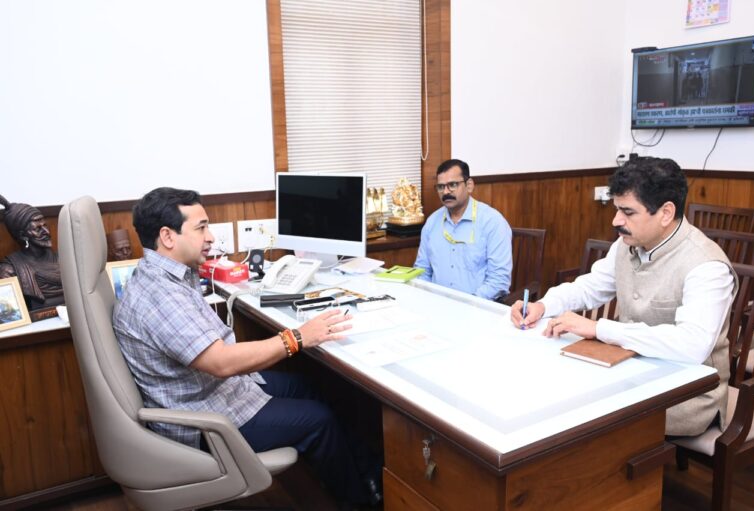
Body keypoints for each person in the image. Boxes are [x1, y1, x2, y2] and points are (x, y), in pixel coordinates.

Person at [112, 187, 381, 507]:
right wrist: (298, 337)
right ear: (167, 236)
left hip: (216, 391)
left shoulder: (166, 275)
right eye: (201, 228)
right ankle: (361, 503)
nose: (210, 237)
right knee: (318, 419)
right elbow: (221, 363)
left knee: (314, 387)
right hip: (207, 417)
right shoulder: (160, 295)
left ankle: (368, 479)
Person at [510, 157, 736, 437]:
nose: (616, 221)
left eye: (628, 212)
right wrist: (544, 305)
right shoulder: (628, 243)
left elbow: (692, 346)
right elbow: (591, 286)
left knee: (580, 412)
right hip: (630, 368)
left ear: (666, 213)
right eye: (617, 209)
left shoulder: (706, 265)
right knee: (553, 388)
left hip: (688, 394)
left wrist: (599, 329)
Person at [414, 159, 512, 301]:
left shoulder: (493, 222)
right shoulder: (432, 222)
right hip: (436, 304)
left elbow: (499, 280)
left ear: (469, 185)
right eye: (441, 187)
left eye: (452, 185)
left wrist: (468, 303)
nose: (445, 192)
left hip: (477, 306)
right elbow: (422, 270)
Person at [0, 194, 64, 311]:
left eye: (45, 226)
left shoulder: (63, 258)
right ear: (23, 235)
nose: (46, 232)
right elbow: (10, 310)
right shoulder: (10, 269)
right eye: (38, 229)